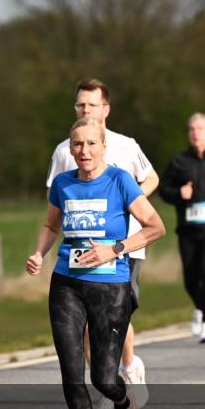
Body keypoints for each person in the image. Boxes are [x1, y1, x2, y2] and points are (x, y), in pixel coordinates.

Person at [27, 118, 165, 409]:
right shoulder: (63, 183)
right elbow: (50, 225)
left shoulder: (119, 180)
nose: (84, 151)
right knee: (71, 370)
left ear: (103, 147)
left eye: (90, 144)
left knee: (103, 377)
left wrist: (115, 249)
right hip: (67, 283)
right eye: (77, 145)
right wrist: (38, 254)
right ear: (70, 149)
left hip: (110, 284)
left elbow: (155, 227)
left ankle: (124, 403)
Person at [46, 78, 158, 388]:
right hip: (80, 247)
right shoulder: (63, 150)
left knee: (117, 315)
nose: (86, 109)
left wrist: (127, 203)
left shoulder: (126, 144)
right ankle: (102, 383)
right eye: (80, 104)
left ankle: (130, 366)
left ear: (105, 109)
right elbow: (56, 201)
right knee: (83, 323)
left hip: (125, 242)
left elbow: (151, 179)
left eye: (91, 104)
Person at [159, 113, 205, 344]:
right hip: (188, 227)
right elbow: (163, 190)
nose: (196, 133)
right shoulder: (179, 161)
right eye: (192, 129)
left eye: (200, 128)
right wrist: (179, 193)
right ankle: (200, 307)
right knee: (190, 275)